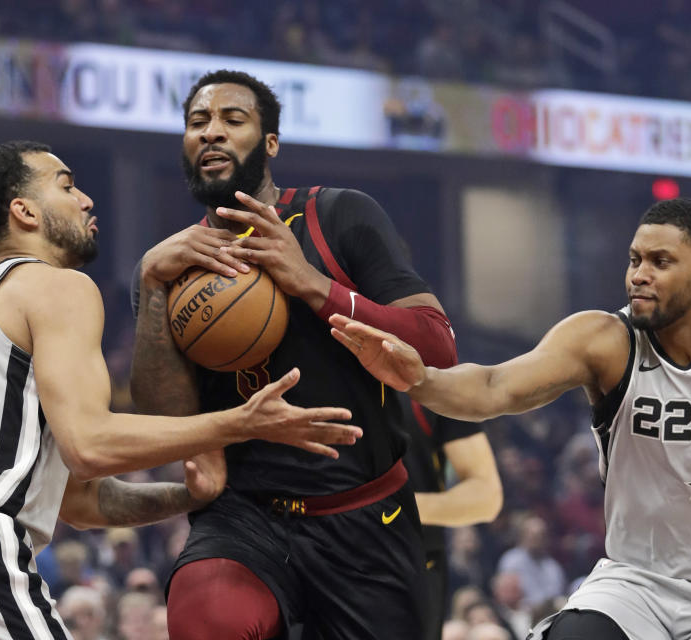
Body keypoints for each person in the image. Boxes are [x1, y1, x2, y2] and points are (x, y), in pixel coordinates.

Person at [0, 140, 361, 639]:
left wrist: (189, 496)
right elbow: (90, 445)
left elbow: (80, 502)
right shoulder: (58, 285)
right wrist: (238, 423)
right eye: (66, 186)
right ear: (25, 212)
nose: (86, 199)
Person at [331, 197, 691, 640]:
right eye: (634, 259)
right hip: (636, 586)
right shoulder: (604, 340)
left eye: (660, 262)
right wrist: (422, 381)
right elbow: (494, 387)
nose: (638, 274)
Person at [130, 69, 459, 639]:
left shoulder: (337, 216)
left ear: (270, 143)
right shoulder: (170, 267)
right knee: (207, 617)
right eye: (197, 123)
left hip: (364, 514)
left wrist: (314, 284)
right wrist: (152, 284)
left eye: (233, 121)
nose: (212, 133)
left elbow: (437, 347)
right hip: (245, 515)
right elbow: (165, 415)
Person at [396, 394, 503, 640]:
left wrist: (386, 509)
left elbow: (487, 496)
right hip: (322, 555)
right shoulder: (307, 373)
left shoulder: (431, 386)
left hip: (415, 565)